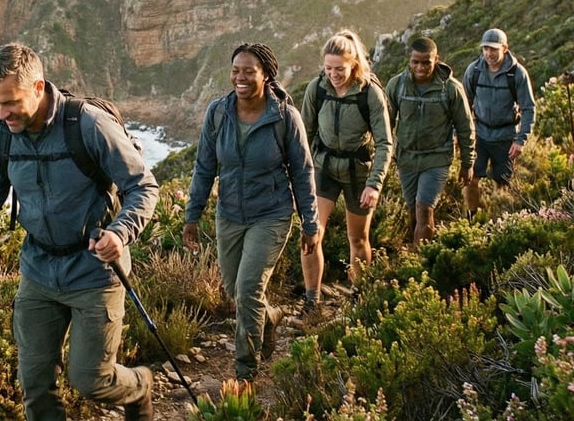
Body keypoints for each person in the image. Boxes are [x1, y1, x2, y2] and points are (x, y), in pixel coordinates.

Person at [0, 43, 159, 421]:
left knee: (90, 380)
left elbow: (143, 187)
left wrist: (120, 232)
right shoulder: (0, 135)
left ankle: (141, 386)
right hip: (38, 271)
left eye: (10, 102)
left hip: (95, 271)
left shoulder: (89, 125)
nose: (1, 113)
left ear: (38, 87)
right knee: (34, 384)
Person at [182, 43, 319, 381]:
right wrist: (192, 215)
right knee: (235, 291)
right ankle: (270, 317)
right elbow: (204, 167)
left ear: (266, 76)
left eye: (248, 71)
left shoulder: (284, 116)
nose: (239, 78)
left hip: (271, 214)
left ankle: (246, 370)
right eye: (235, 71)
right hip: (229, 214)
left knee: (247, 290)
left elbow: (302, 170)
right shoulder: (218, 112)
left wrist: (310, 223)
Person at [300, 30, 393, 311]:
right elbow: (303, 135)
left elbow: (386, 143)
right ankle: (311, 300)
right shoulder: (317, 89)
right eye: (328, 68)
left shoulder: (370, 94)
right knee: (311, 233)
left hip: (358, 174)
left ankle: (359, 294)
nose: (333, 74)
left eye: (339, 69)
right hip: (324, 169)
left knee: (358, 238)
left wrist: (374, 184)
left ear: (354, 64)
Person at [386, 37, 475, 246]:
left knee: (424, 209)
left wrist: (467, 162)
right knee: (412, 212)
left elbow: (465, 127)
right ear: (409, 60)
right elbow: (384, 124)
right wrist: (383, 156)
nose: (420, 67)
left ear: (437, 59)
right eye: (415, 61)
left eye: (426, 62)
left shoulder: (451, 89)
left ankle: (420, 265)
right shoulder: (396, 85)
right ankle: (415, 254)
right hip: (406, 158)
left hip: (436, 158)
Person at [462, 28, 536, 219]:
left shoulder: (517, 74)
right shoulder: (474, 71)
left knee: (502, 182)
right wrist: (460, 135)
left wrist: (521, 140)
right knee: (471, 178)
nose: (489, 53)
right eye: (486, 48)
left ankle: (499, 223)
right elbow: (462, 107)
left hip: (506, 137)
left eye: (494, 49)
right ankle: (472, 218)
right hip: (479, 135)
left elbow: (528, 108)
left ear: (504, 48)